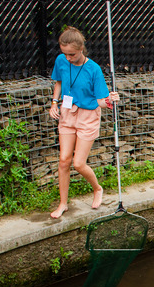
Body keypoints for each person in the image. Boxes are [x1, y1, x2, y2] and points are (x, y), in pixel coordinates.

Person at [49, 26, 120, 219]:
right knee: (64, 161)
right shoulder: (61, 60)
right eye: (64, 54)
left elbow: (100, 100)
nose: (68, 58)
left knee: (79, 163)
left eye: (71, 54)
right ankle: (63, 203)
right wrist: (54, 103)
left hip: (88, 116)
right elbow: (58, 82)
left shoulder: (93, 69)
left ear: (81, 49)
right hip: (67, 112)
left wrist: (109, 101)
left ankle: (97, 188)